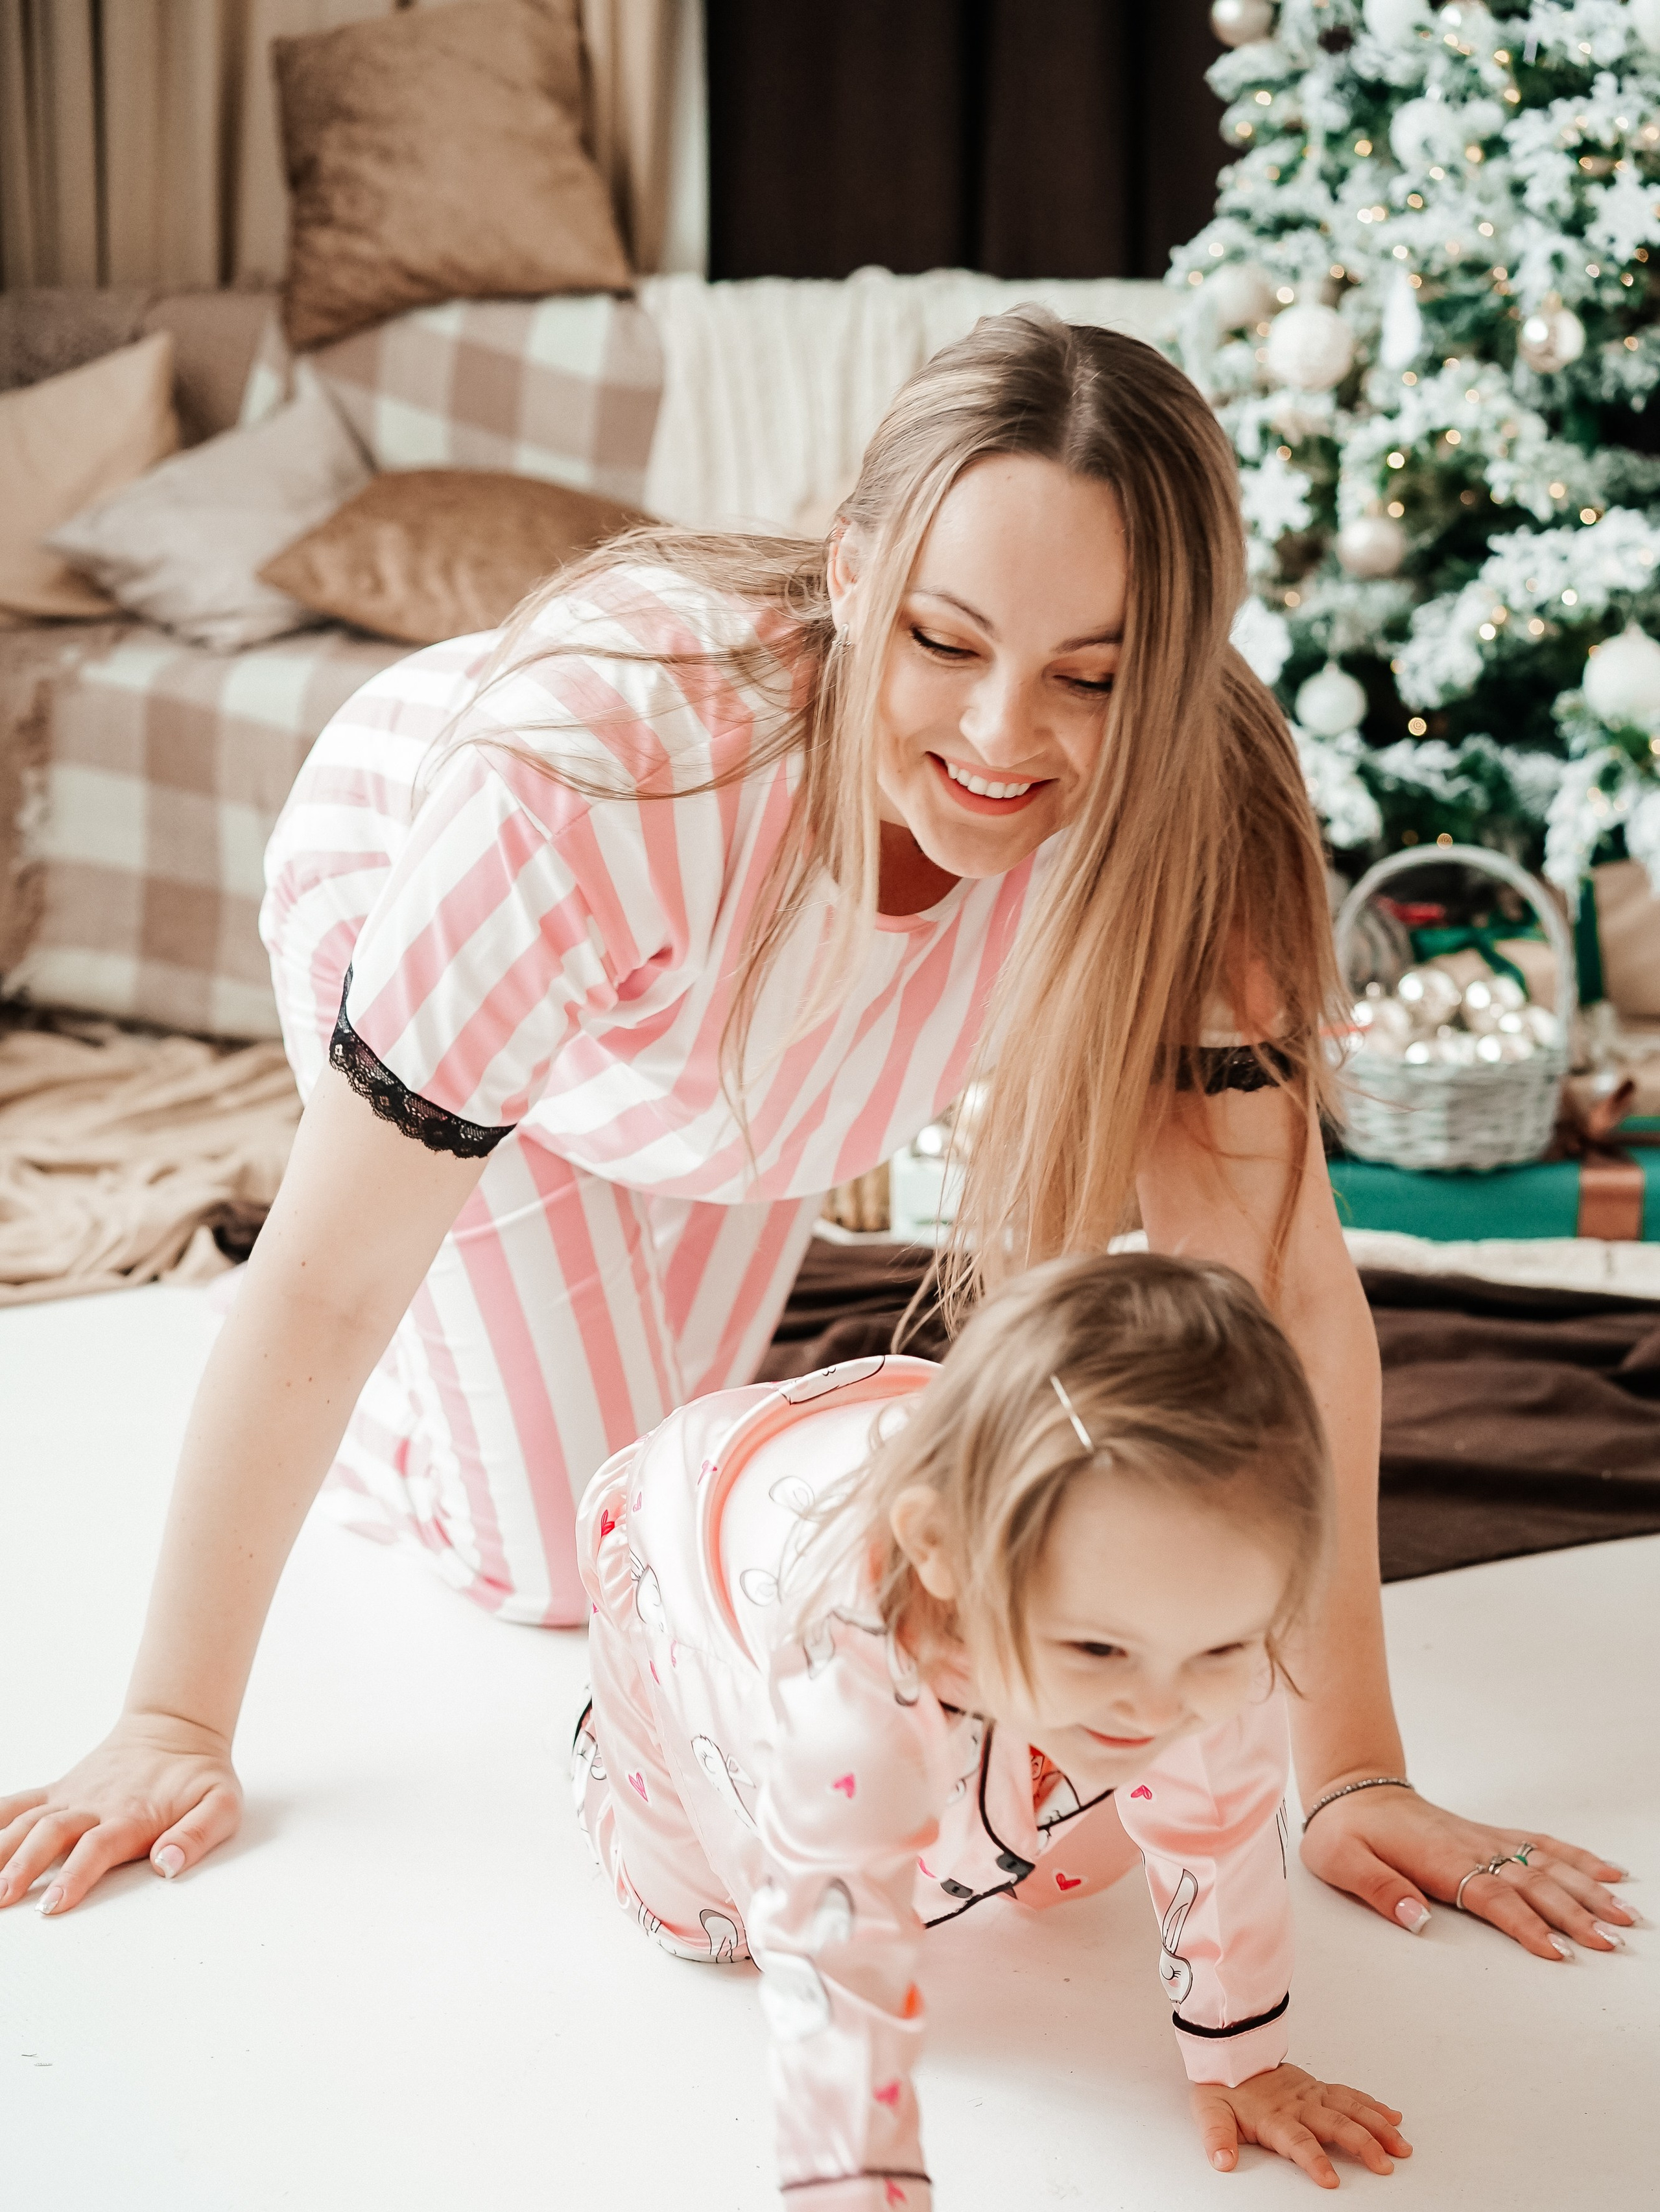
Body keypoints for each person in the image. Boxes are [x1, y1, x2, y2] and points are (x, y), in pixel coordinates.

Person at [0, 311, 1630, 1957]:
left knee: (668, 1470)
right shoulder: (592, 776)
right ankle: (401, 1407)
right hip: (452, 918)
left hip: (753, 1092)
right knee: (559, 1558)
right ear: (851, 575)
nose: (1004, 737)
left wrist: (1347, 1773)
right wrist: (171, 1725)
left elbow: (1271, 1276)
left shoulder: (1191, 803)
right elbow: (331, 1286)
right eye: (945, 639)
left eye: (1092, 674)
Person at [575, 1252, 1414, 2212]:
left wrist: (1240, 2054)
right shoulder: (841, 1680)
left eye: (1218, 1650)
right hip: (697, 1538)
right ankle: (609, 1751)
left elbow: (1219, 1815)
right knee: (718, 1924)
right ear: (941, 1559)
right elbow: (842, 1967)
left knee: (1074, 1855)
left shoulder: (1196, 1607)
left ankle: (1024, 1741)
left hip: (966, 1526)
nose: (1164, 1701)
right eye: (1100, 1650)